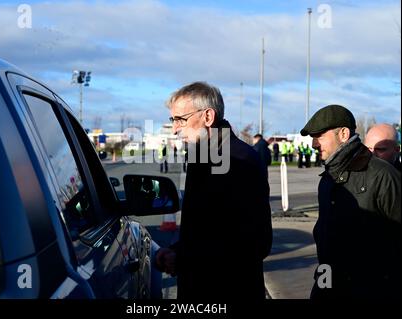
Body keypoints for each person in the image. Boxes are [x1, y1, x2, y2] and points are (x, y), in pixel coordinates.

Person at [155, 81, 272, 300]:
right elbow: (206, 229)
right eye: (173, 120)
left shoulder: (239, 161)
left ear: (207, 117)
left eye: (180, 119)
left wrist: (184, 259)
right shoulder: (203, 156)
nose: (174, 129)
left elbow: (254, 242)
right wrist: (177, 251)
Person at [301, 104, 401, 299]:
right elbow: (325, 241)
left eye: (319, 136)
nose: (314, 144)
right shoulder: (327, 179)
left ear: (344, 134)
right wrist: (321, 289)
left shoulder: (383, 176)